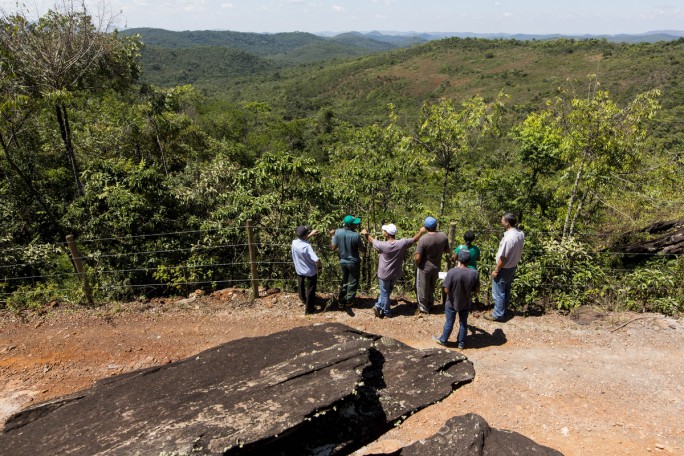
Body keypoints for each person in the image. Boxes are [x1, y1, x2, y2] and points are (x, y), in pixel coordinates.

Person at [361, 224, 426, 318]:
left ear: (387, 233)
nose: (383, 232)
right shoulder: (402, 243)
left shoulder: (383, 245)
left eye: (384, 231)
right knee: (386, 292)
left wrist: (366, 233)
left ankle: (387, 312)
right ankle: (378, 305)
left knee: (384, 293)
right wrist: (420, 232)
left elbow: (371, 240)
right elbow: (414, 239)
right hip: (395, 273)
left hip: (384, 274)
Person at [433, 249, 480, 349]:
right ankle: (461, 343)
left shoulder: (452, 272)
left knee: (449, 321)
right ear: (469, 260)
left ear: (458, 258)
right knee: (463, 323)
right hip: (466, 302)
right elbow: (477, 289)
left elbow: (446, 290)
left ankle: (443, 340)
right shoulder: (474, 273)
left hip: (451, 301)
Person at [484, 212, 525, 322]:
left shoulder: (508, 238)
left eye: (502, 220)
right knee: (506, 289)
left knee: (498, 292)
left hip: (504, 267)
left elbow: (502, 257)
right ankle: (503, 310)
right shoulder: (520, 234)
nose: (501, 221)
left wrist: (496, 270)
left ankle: (498, 314)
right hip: (513, 266)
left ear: (507, 223)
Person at [414, 216, 450, 314]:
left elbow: (417, 257)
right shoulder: (443, 236)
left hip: (424, 267)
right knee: (431, 286)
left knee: (422, 287)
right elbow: (447, 250)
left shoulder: (423, 239)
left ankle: (423, 308)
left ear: (425, 227)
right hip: (436, 266)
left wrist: (418, 264)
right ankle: (430, 304)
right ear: (435, 225)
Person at [331, 215, 364, 307]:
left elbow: (333, 248)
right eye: (354, 224)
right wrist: (366, 244)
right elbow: (362, 250)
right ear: (350, 225)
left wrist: (332, 236)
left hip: (343, 262)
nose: (356, 225)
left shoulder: (338, 232)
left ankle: (341, 301)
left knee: (344, 281)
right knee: (353, 282)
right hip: (353, 262)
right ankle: (349, 301)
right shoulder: (356, 235)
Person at [291, 225, 321, 314]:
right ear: (305, 235)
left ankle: (303, 299)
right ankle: (309, 309)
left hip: (299, 269)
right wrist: (319, 267)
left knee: (301, 285)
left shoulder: (294, 242)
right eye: (307, 232)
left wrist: (310, 235)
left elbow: (302, 240)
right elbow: (317, 259)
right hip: (310, 271)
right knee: (311, 290)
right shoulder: (307, 246)